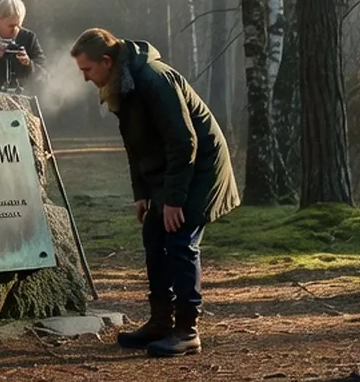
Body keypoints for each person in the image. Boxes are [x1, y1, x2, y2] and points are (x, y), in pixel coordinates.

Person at [71, 28, 238, 358]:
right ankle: (161, 322)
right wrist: (142, 193)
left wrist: (174, 199)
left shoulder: (153, 79)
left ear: (106, 61)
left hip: (200, 168)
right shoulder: (122, 82)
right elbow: (136, 145)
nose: (85, 78)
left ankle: (187, 331)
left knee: (179, 242)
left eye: (87, 70)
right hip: (171, 171)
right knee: (154, 237)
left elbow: (184, 141)